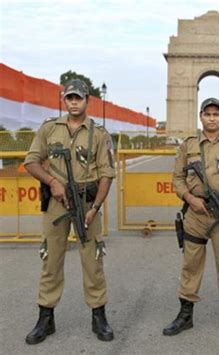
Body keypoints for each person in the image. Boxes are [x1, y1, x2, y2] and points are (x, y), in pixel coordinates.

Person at [24, 79, 116, 344]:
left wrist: (95, 208)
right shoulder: (50, 129)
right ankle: (46, 317)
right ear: (64, 100)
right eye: (70, 98)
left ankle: (98, 316)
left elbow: (107, 173)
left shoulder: (99, 134)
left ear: (88, 100)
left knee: (93, 261)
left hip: (87, 203)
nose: (74, 102)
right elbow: (31, 161)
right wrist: (52, 182)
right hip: (56, 204)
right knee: (51, 260)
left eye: (79, 98)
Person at [163, 98, 219, 339]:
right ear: (200, 116)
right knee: (191, 264)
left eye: (216, 114)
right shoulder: (188, 145)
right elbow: (177, 178)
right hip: (195, 213)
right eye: (207, 114)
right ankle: (185, 315)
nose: (212, 118)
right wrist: (191, 199)